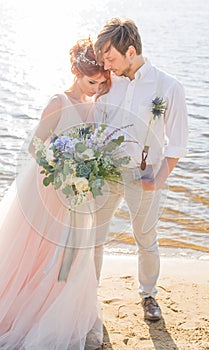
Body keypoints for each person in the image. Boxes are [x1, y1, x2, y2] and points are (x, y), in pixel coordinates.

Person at [0, 37, 111, 349]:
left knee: (71, 254)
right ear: (77, 73)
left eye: (101, 84)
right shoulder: (58, 103)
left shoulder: (92, 106)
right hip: (48, 188)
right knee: (35, 253)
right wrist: (61, 169)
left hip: (77, 191)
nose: (95, 89)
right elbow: (34, 145)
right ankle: (22, 312)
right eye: (92, 82)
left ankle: (56, 312)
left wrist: (90, 168)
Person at [93, 17, 188, 321]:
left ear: (130, 51)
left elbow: (178, 142)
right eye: (103, 60)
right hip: (107, 172)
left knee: (145, 237)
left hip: (144, 175)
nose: (107, 66)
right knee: (93, 235)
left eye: (111, 58)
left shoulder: (169, 87)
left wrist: (159, 179)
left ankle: (148, 295)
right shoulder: (108, 84)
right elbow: (96, 125)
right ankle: (86, 292)